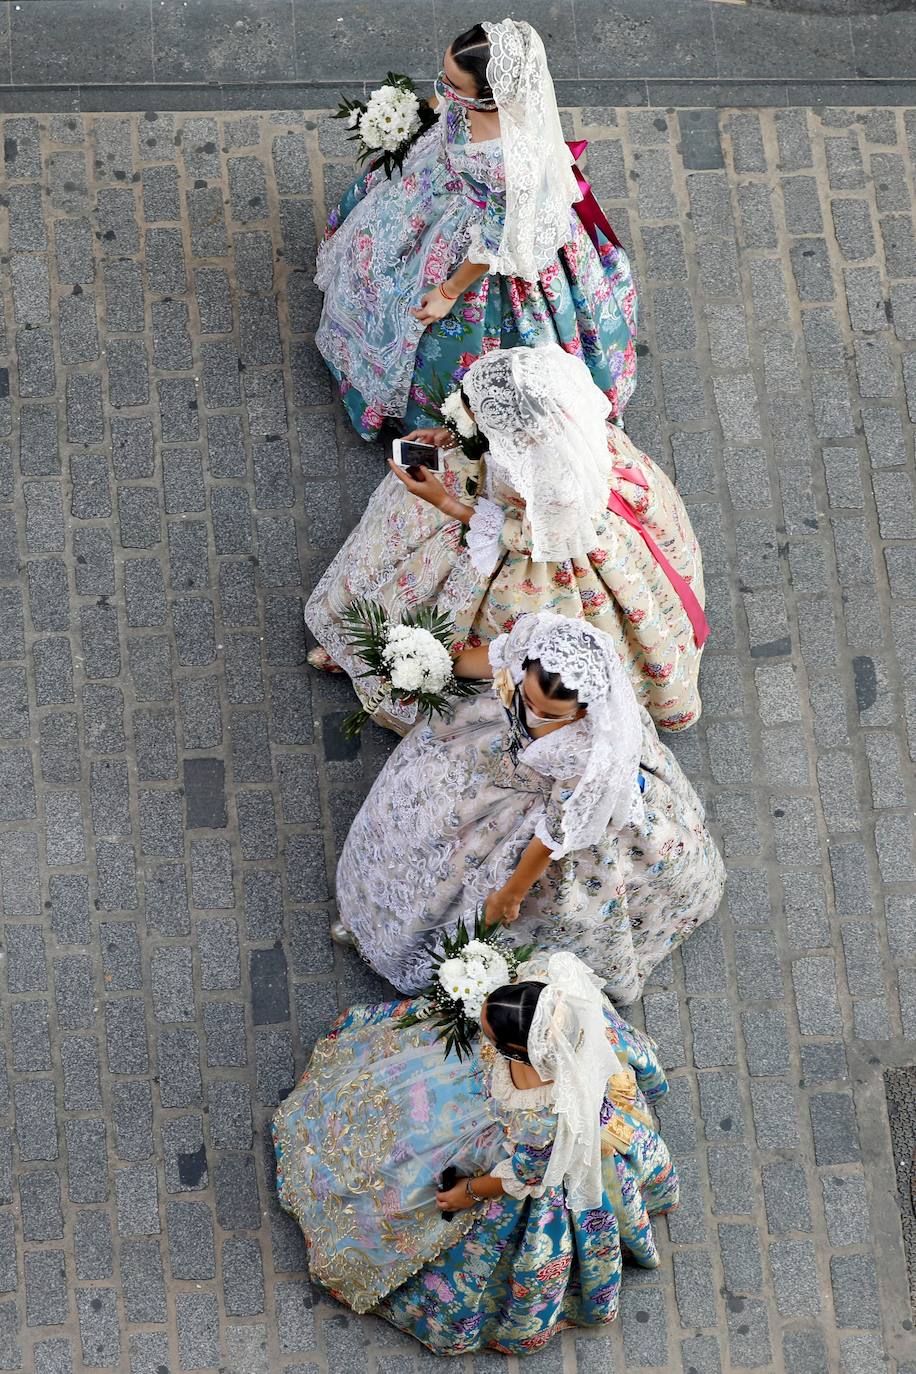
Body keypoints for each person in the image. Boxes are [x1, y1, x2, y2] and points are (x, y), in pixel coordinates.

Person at [272, 951, 679, 1356]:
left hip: (515, 1152)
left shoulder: (543, 1120)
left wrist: (465, 1193)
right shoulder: (559, 1002)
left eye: (489, 1034)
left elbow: (522, 1177)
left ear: (519, 1051)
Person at [307, 343, 708, 733]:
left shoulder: (555, 487)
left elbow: (543, 536)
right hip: (526, 509)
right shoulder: (550, 416)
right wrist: (451, 434)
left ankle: (398, 662)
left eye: (475, 413)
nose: (464, 410)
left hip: (543, 548)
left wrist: (446, 504)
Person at [332, 612, 725, 1001]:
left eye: (550, 714)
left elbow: (552, 837)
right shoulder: (536, 652)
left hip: (543, 815)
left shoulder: (586, 758)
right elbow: (489, 660)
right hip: (487, 751)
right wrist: (430, 667)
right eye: (527, 698)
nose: (530, 714)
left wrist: (510, 894)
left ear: (583, 711)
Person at [313, 19, 637, 440]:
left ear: (491, 95)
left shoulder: (510, 163)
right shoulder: (471, 100)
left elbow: (498, 241)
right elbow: (442, 103)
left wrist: (448, 292)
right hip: (437, 189)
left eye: (454, 84)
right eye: (443, 76)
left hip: (481, 242)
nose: (443, 89)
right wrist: (409, 117)